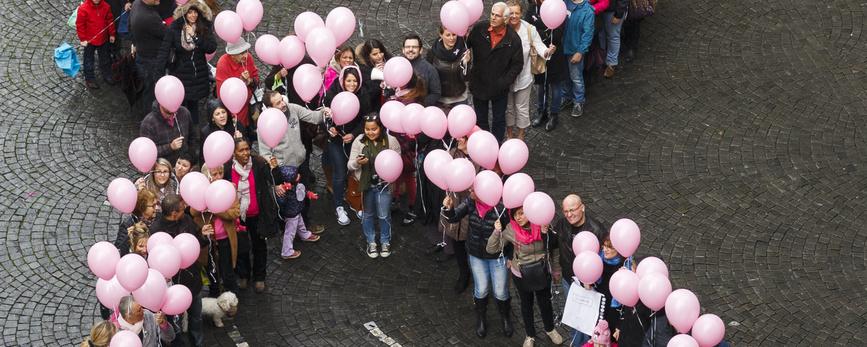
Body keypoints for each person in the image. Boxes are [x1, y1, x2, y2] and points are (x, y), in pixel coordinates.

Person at [487, 207, 563, 347]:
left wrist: (556, 269)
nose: (518, 217)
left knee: (545, 302)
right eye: (515, 215)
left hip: (541, 271)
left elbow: (554, 247)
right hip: (521, 274)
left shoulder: (542, 223)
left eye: (521, 213)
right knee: (526, 304)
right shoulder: (511, 229)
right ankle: (530, 335)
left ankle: (550, 329)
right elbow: (492, 249)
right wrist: (496, 231)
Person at [442, 191, 512, 338]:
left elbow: (511, 232)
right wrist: (448, 209)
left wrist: (510, 256)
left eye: (473, 190)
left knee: (501, 291)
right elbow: (454, 218)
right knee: (481, 290)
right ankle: (481, 318)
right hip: (476, 255)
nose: (469, 191)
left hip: (498, 256)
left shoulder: (501, 205)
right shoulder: (470, 202)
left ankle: (505, 317)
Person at [149, 194, 210, 346]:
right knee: (174, 322)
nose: (185, 211)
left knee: (196, 317)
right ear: (174, 213)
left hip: (192, 280)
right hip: (172, 288)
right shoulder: (156, 230)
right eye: (182, 209)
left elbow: (196, 242)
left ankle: (198, 343)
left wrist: (203, 235)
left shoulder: (186, 220)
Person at [223, 138, 280, 293]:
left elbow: (274, 180)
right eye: (241, 150)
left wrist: (275, 169)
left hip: (258, 214)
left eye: (247, 149)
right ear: (234, 153)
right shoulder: (228, 168)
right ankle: (243, 275)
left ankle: (260, 277)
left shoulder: (260, 164)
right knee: (242, 246)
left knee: (259, 245)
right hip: (238, 216)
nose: (246, 153)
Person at [553, 194, 607, 345]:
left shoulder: (596, 230)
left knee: (588, 320)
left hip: (591, 284)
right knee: (575, 318)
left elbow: (606, 257)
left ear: (582, 207)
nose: (569, 214)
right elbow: (553, 245)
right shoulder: (562, 224)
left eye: (572, 210)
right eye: (565, 211)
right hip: (568, 280)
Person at [465, 2, 523, 143]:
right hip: (479, 83)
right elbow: (466, 44)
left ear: (505, 19)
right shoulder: (479, 29)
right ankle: (483, 145)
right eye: (492, 14)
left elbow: (517, 64)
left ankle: (496, 145)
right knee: (481, 119)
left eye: (497, 15)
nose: (493, 17)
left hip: (499, 89)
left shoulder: (513, 39)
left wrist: (503, 82)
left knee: (498, 119)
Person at [347, 114, 400, 258]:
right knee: (368, 215)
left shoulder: (392, 141)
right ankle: (371, 242)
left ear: (380, 128)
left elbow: (397, 163)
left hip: (384, 185)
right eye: (367, 129)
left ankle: (385, 241)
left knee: (384, 215)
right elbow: (350, 164)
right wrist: (358, 162)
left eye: (374, 129)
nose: (370, 132)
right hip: (366, 185)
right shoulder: (358, 141)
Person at [156, 0, 217, 125]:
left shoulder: (204, 27)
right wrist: (158, 74)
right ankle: (180, 130)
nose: (193, 15)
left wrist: (195, 36)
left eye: (195, 12)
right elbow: (164, 50)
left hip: (196, 75)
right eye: (190, 12)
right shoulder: (175, 28)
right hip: (180, 73)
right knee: (179, 105)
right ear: (184, 13)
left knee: (193, 106)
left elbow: (211, 47)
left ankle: (192, 132)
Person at [323, 66, 369, 225]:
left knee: (356, 170)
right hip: (336, 141)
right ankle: (339, 205)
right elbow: (325, 116)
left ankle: (355, 200)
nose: (352, 84)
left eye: (355, 81)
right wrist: (330, 129)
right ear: (342, 80)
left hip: (355, 139)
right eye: (349, 80)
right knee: (340, 172)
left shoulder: (363, 94)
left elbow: (366, 119)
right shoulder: (331, 93)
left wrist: (354, 134)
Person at [504, 0, 555, 140]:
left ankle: (520, 135)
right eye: (510, 13)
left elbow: (539, 47)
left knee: (521, 108)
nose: (513, 16)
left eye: (516, 13)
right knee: (508, 108)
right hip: (504, 78)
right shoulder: (501, 28)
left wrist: (547, 52)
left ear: (521, 13)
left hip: (524, 77)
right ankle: (509, 135)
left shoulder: (529, 29)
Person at [193, 165, 245, 294]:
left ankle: (232, 294)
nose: (217, 177)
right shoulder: (200, 190)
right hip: (208, 238)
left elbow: (234, 213)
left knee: (227, 269)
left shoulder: (229, 188)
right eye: (214, 174)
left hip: (225, 237)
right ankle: (214, 293)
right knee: (211, 268)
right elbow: (193, 211)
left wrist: (216, 209)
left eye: (220, 173)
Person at [526, 0, 568, 131]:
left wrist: (538, 26)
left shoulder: (558, 7)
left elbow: (558, 34)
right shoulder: (533, 8)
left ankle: (554, 115)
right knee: (541, 86)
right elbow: (528, 28)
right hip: (539, 56)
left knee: (556, 87)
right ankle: (541, 111)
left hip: (555, 53)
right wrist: (543, 32)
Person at [438, 137, 472, 293]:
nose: (458, 138)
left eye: (463, 136)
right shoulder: (452, 154)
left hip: (472, 209)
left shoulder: (480, 160)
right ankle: (464, 274)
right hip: (454, 204)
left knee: (473, 244)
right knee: (457, 244)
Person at [274, 165, 320, 259]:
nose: (299, 175)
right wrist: (283, 192)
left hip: (297, 210)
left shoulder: (296, 185)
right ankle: (286, 251)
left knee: (300, 223)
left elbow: (302, 190)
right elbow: (281, 202)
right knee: (290, 232)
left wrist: (309, 194)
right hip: (291, 214)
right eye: (296, 175)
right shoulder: (285, 191)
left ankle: (304, 234)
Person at [215, 38, 259, 136]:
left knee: (249, 134)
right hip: (233, 110)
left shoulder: (249, 58)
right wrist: (240, 81)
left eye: (246, 52)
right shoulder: (223, 63)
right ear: (232, 55)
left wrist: (250, 81)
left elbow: (256, 79)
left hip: (248, 106)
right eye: (241, 53)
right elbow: (221, 93)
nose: (245, 55)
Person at [129, 0, 167, 114]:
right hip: (151, 59)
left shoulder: (136, 4)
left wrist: (134, 43)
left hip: (142, 53)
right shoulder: (149, 18)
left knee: (147, 87)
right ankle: (150, 117)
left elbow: (130, 26)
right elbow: (166, 34)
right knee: (151, 91)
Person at [562, 0, 595, 117]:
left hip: (575, 50)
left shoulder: (588, 11)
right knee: (564, 75)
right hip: (561, 47)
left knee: (576, 77)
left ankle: (578, 101)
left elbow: (588, 34)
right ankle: (566, 97)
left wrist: (580, 52)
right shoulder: (563, 3)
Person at [426, 26, 471, 109]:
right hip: (439, 99)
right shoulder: (432, 53)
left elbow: (466, 78)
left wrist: (466, 63)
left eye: (454, 35)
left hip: (459, 98)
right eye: (448, 35)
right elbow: (428, 75)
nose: (451, 38)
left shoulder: (463, 51)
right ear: (441, 35)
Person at [139, 100, 196, 166]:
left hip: (183, 167)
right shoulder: (148, 123)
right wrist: (170, 147)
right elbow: (147, 153)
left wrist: (190, 157)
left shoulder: (184, 113)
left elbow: (192, 137)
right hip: (163, 169)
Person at [76, 0, 116, 89]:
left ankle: (107, 75)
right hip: (89, 41)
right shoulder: (83, 8)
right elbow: (80, 25)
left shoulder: (106, 6)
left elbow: (110, 21)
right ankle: (89, 79)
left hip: (103, 39)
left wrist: (112, 34)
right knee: (88, 60)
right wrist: (83, 39)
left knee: (105, 59)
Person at [113, 189, 157, 256]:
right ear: (143, 207)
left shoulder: (158, 218)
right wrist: (129, 236)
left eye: (156, 204)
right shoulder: (128, 223)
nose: (156, 208)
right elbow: (118, 248)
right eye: (153, 206)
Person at [401, 34, 440, 107]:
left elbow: (436, 93)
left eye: (414, 47)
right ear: (403, 50)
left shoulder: (429, 69)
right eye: (407, 47)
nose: (410, 49)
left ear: (421, 50)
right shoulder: (397, 66)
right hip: (399, 110)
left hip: (420, 112)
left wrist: (419, 105)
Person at [355, 39, 392, 109]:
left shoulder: (390, 60)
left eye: (381, 52)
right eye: (374, 54)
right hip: (375, 106)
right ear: (368, 56)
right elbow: (368, 94)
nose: (379, 56)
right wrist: (377, 75)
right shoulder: (364, 70)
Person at [599, 0, 628, 78]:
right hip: (600, 8)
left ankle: (611, 64)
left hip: (613, 10)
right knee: (602, 34)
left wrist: (619, 14)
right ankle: (602, 59)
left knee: (613, 36)